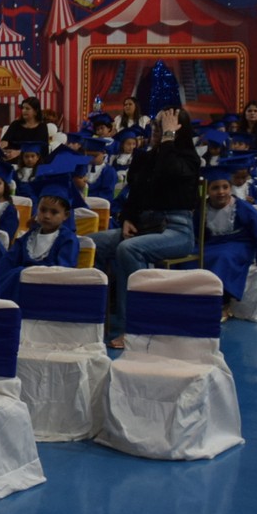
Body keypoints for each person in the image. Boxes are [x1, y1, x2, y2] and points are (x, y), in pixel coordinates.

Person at [87, 108, 201, 349]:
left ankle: (137, 327)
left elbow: (169, 170)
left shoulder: (189, 158)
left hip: (176, 230)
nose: (158, 132)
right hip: (143, 225)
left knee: (129, 250)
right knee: (89, 244)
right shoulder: (144, 157)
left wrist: (169, 138)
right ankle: (95, 317)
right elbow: (135, 194)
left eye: (165, 127)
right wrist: (128, 218)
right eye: (157, 127)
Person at [199, 163, 257, 311]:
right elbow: (197, 232)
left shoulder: (242, 207)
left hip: (239, 244)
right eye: (215, 188)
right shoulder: (202, 208)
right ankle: (196, 298)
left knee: (222, 258)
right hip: (212, 243)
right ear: (207, 190)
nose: (221, 192)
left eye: (225, 187)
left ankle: (221, 301)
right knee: (193, 257)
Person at [0, 176, 81, 299]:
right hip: (21, 287)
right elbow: (8, 262)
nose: (46, 216)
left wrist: (25, 274)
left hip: (49, 292)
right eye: (42, 210)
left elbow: (63, 271)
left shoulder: (68, 240)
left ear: (66, 215)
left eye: (54, 212)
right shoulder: (29, 236)